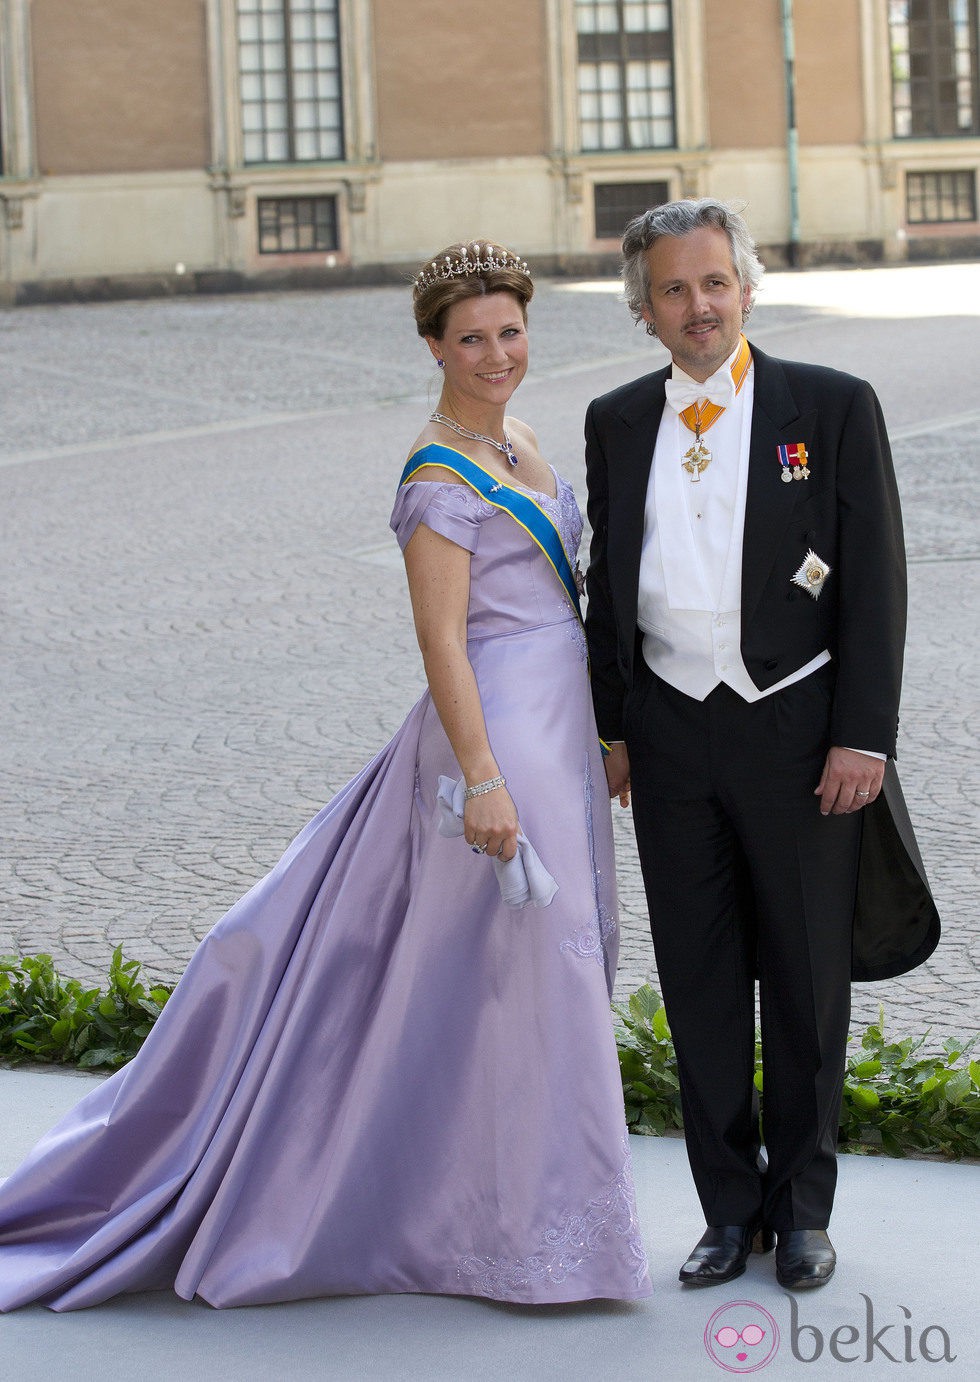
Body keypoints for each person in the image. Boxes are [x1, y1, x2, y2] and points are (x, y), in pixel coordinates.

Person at [0, 241, 651, 1311]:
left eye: (509, 331)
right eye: (470, 337)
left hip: (561, 728)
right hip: (494, 740)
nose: (495, 354)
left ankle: (515, 1217)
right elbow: (442, 640)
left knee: (518, 980)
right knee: (522, 979)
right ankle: (532, 1238)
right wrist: (482, 778)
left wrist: (607, 735)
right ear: (433, 345)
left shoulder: (521, 437)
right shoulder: (436, 473)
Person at [584, 199, 939, 1291]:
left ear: (745, 287)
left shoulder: (826, 407)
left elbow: (873, 581)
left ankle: (801, 1210)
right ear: (642, 311)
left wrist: (861, 737)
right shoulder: (613, 420)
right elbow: (605, 586)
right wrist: (609, 724)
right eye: (674, 290)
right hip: (668, 736)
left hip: (794, 732)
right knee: (695, 981)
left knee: (800, 982)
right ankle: (723, 1208)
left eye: (714, 283)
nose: (698, 306)